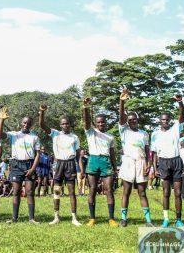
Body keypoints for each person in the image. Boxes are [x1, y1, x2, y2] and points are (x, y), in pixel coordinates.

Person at [39, 104, 82, 226]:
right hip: (58, 164)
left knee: (72, 192)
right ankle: (56, 216)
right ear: (60, 125)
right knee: (56, 190)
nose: (65, 125)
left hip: (70, 164)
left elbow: (78, 155)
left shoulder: (75, 137)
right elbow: (42, 125)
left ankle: (74, 217)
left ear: (70, 125)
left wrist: (81, 170)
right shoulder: (55, 134)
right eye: (63, 124)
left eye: (67, 123)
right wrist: (42, 111)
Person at [0, 107, 41, 224]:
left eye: (28, 123)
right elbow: (0, 134)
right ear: (21, 123)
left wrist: (32, 169)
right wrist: (2, 120)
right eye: (24, 122)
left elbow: (37, 155)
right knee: (16, 191)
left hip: (29, 164)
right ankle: (14, 218)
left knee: (30, 191)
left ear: (31, 125)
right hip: (16, 164)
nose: (26, 124)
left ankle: (31, 218)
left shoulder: (35, 137)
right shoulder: (14, 135)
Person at [117, 88, 153, 227]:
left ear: (137, 120)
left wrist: (149, 163)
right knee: (126, 191)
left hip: (141, 163)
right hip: (128, 162)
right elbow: (121, 116)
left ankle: (148, 220)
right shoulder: (124, 130)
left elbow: (147, 149)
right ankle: (123, 219)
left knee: (142, 192)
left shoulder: (144, 134)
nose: (132, 121)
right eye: (129, 119)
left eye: (134, 119)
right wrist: (122, 101)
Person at [151, 94, 184, 227]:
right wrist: (155, 168)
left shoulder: (176, 128)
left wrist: (180, 102)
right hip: (163, 163)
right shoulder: (155, 134)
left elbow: (182, 116)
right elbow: (153, 153)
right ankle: (166, 219)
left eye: (167, 119)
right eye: (162, 120)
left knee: (177, 192)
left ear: (170, 120)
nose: (165, 121)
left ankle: (178, 219)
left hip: (176, 161)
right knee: (166, 192)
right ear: (159, 121)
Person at [82, 98, 118, 227]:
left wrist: (115, 168)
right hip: (93, 160)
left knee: (109, 190)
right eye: (98, 122)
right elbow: (86, 122)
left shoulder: (110, 137)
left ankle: (111, 218)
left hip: (106, 161)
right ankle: (92, 218)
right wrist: (86, 107)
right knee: (92, 189)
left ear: (105, 123)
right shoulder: (91, 132)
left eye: (103, 122)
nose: (101, 124)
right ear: (95, 124)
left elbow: (113, 153)